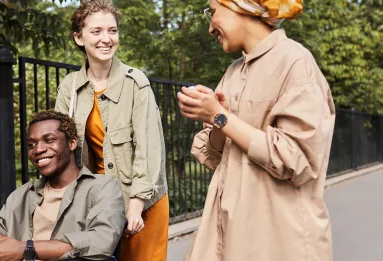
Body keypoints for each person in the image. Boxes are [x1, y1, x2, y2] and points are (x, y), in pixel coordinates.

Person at [177, 0, 335, 260]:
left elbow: (295, 159)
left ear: (242, 6)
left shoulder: (295, 62)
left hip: (278, 242)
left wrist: (219, 115)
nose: (210, 28)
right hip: (227, 236)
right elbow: (214, 157)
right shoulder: (233, 71)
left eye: (213, 12)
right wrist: (216, 118)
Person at [54, 1, 169, 260]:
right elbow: (62, 153)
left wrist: (136, 206)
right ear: (78, 37)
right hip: (96, 205)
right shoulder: (69, 88)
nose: (106, 39)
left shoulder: (136, 83)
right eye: (96, 31)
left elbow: (149, 150)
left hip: (142, 200)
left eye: (112, 31)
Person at [0, 110, 126, 261]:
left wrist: (25, 249)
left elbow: (102, 240)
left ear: (72, 143)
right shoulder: (24, 194)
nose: (38, 149)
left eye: (49, 140)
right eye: (31, 144)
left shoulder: (102, 188)